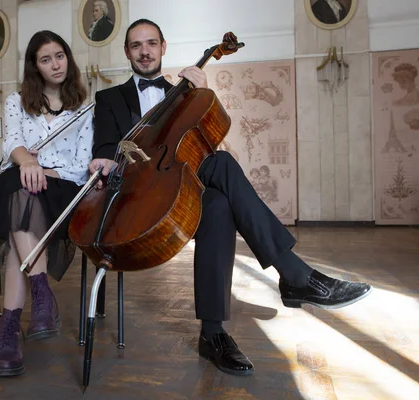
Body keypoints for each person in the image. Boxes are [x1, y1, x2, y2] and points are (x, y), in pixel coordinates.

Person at [88, 19, 372, 377]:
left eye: (151, 43)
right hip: (137, 198)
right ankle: (294, 275)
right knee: (221, 167)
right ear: (127, 52)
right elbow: (103, 150)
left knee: (218, 202)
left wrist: (198, 94)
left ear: (163, 47)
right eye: (136, 45)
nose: (144, 51)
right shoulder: (108, 99)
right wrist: (106, 158)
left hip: (176, 188)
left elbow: (196, 147)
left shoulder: (183, 91)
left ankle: (213, 334)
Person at [0, 30, 92, 377]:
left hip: (60, 191)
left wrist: (43, 170)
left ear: (68, 59)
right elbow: (11, 143)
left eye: (60, 56)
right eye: (46, 59)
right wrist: (27, 163)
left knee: (19, 221)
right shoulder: (16, 101)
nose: (55, 64)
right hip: (21, 187)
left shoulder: (84, 109)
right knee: (18, 186)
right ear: (35, 66)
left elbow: (80, 165)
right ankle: (41, 296)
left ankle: (9, 333)